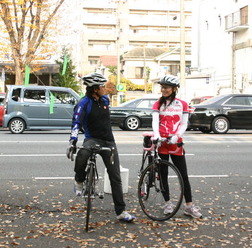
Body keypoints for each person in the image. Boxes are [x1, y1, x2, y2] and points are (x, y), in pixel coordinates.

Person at [66, 72, 135, 222]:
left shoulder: (105, 100)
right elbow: (76, 122)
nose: (105, 88)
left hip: (109, 141)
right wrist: (73, 140)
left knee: (115, 177)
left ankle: (121, 211)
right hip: (92, 139)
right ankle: (79, 180)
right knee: (82, 154)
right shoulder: (84, 103)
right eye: (102, 86)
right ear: (95, 88)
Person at [152, 74, 202, 218]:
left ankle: (189, 206)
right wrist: (156, 135)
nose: (164, 90)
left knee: (183, 175)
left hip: (175, 144)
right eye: (162, 87)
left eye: (166, 87)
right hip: (162, 143)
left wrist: (177, 136)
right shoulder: (158, 104)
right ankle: (168, 203)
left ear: (174, 89)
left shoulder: (182, 104)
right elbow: (155, 121)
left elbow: (184, 123)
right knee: (163, 175)